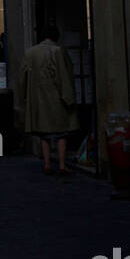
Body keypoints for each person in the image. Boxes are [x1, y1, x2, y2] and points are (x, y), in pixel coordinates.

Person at [18, 23, 77, 176]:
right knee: (62, 132)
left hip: (38, 100)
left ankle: (47, 164)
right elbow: (64, 76)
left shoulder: (30, 52)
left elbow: (22, 78)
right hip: (56, 98)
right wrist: (69, 98)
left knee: (44, 134)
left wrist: (23, 98)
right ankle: (62, 165)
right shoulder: (58, 51)